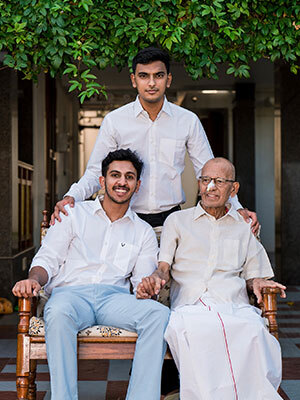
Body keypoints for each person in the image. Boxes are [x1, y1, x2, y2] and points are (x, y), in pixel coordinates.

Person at [12, 149, 170, 400]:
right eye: (115, 175)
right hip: (70, 295)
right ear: (102, 181)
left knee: (159, 314)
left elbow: (141, 283)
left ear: (137, 185)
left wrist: (146, 286)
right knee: (59, 312)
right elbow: (47, 259)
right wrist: (34, 279)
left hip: (114, 299)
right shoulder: (73, 215)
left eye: (129, 177)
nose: (122, 182)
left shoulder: (143, 231)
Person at [51, 47, 259, 234]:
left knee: (168, 277)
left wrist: (237, 207)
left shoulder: (187, 121)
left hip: (172, 221)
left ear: (168, 79)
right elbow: (96, 171)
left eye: (158, 76)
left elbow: (209, 173)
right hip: (125, 220)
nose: (151, 83)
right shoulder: (115, 121)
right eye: (144, 76)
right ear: (134, 80)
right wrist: (72, 196)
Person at [137, 157, 286, 400]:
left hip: (233, 303)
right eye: (205, 180)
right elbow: (163, 267)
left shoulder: (242, 227)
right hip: (190, 305)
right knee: (195, 330)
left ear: (233, 189)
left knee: (253, 331)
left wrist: (257, 281)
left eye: (218, 181)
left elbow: (253, 274)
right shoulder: (177, 221)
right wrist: (155, 277)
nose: (210, 187)